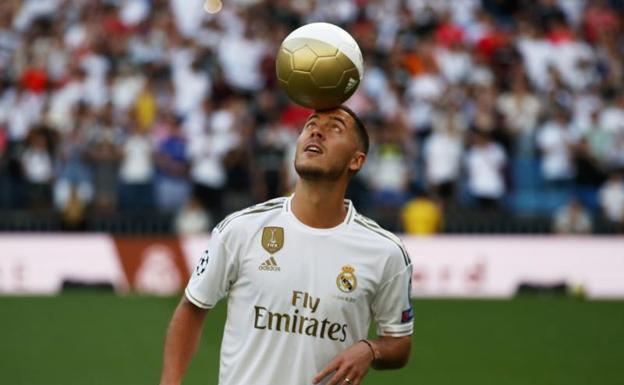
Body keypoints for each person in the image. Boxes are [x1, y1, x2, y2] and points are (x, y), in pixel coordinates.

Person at [160, 106, 413, 385]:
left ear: (357, 160)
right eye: (310, 125)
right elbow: (193, 306)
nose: (316, 131)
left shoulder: (386, 252)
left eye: (335, 128)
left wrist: (372, 350)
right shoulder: (241, 229)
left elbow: (399, 343)